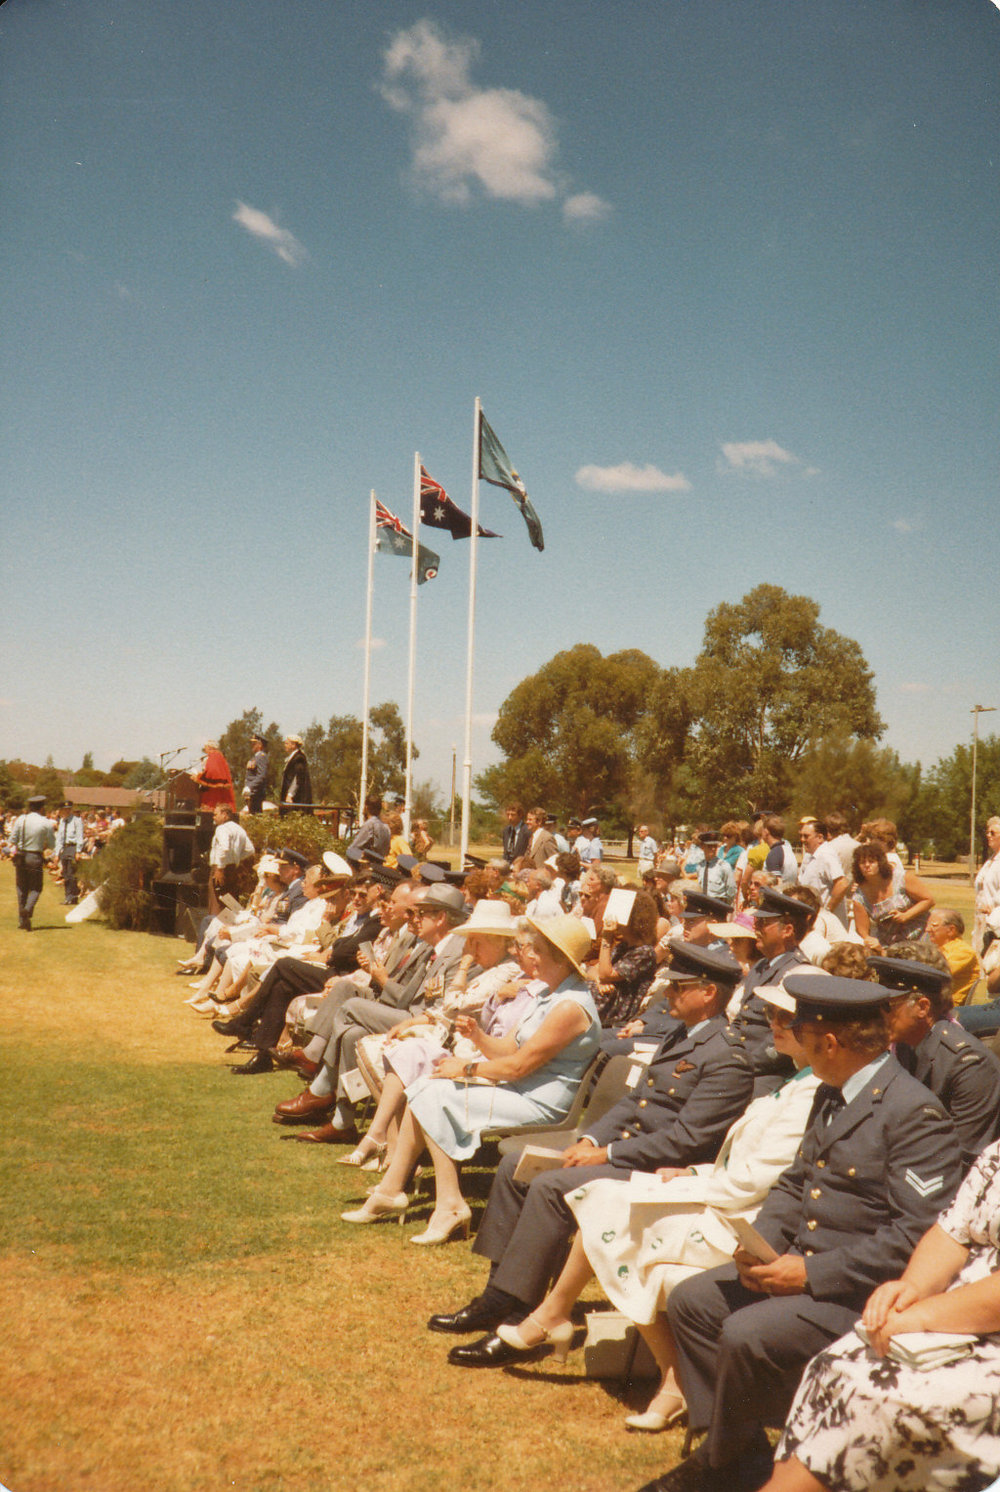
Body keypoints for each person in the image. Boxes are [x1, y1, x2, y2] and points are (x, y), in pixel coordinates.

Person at [638, 971, 962, 1492]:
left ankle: (728, 1466)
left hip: (864, 1291)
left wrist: (809, 1272)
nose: (792, 1046)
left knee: (747, 1334)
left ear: (830, 1042)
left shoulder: (913, 1114)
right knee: (693, 1302)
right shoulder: (834, 1092)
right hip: (799, 1270)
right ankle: (737, 1451)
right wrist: (759, 1246)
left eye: (804, 1037)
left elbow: (915, 1237)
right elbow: (795, 1182)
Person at [513, 984, 820, 1430]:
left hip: (746, 1220)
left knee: (610, 1211)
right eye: (770, 1014)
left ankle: (558, 1317)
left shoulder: (808, 1093)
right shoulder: (794, 1082)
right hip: (726, 1195)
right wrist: (694, 1175)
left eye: (785, 1018)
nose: (772, 1024)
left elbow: (756, 1180)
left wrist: (697, 1182)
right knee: (605, 1202)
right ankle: (667, 1380)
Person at [433, 941, 753, 1368]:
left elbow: (686, 1141)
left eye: (680, 988)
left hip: (662, 1171)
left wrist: (607, 1153)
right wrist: (590, 1139)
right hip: (626, 1153)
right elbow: (635, 1100)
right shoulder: (683, 1035)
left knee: (549, 1186)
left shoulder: (727, 1057)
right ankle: (498, 1294)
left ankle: (523, 1313)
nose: (669, 995)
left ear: (708, 993)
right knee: (514, 1166)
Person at [342, 914, 602, 1243]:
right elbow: (507, 1049)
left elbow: (518, 1067)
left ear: (558, 958)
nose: (526, 955)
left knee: (434, 1094)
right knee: (426, 1086)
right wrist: (478, 1037)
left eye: (534, 949)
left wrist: (464, 1069)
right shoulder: (550, 996)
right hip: (518, 1088)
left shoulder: (569, 1007)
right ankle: (394, 1190)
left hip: (539, 1102)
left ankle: (446, 1204)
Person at [768, 1138, 1000, 1492]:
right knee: (831, 1367)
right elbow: (952, 1232)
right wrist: (910, 1289)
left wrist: (921, 1316)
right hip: (949, 1321)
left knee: (882, 1402)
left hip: (984, 1341)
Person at [872, 947, 1000, 1170]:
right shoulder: (901, 1045)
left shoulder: (969, 1065)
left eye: (887, 1007)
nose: (877, 1015)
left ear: (922, 1007)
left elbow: (960, 1160)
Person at [851, 839, 934, 949]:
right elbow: (863, 931)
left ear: (880, 863)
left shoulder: (902, 878)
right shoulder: (859, 896)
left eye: (871, 861)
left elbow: (928, 900)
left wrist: (906, 915)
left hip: (920, 937)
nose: (867, 865)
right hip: (890, 945)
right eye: (862, 862)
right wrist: (872, 942)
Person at [11, 794, 55, 930]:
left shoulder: (21, 820)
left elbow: (13, 839)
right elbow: (52, 843)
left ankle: (22, 920)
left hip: (21, 856)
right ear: (42, 807)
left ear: (30, 807)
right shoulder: (46, 822)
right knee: (36, 888)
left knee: (21, 888)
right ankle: (28, 910)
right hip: (35, 856)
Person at [926, 906, 981, 1006]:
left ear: (951, 930)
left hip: (945, 1007)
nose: (927, 929)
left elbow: (934, 974)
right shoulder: (938, 948)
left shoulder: (963, 951)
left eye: (933, 925)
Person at [206, 804, 255, 914]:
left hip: (220, 869)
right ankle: (232, 926)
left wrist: (220, 868)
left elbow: (224, 847)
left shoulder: (221, 828)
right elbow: (250, 849)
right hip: (232, 869)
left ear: (224, 815)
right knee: (230, 901)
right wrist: (235, 859)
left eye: (215, 814)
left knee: (217, 903)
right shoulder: (239, 829)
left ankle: (217, 928)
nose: (213, 817)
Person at [54, 802, 85, 905]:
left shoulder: (77, 821)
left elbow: (80, 836)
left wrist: (78, 851)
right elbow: (59, 838)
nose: (66, 811)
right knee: (65, 874)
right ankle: (68, 896)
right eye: (64, 809)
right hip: (64, 848)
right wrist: (57, 853)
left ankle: (73, 896)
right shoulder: (62, 821)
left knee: (71, 873)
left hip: (73, 847)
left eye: (68, 809)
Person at [194, 741, 235, 809]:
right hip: (218, 791)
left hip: (215, 795)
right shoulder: (219, 756)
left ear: (210, 747)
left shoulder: (214, 757)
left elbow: (212, 773)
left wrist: (198, 777)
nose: (205, 750)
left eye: (205, 748)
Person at [349, 796, 390, 861]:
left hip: (368, 865)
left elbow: (353, 848)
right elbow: (386, 851)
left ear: (366, 807)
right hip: (380, 864)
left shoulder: (370, 825)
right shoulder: (386, 827)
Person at [279, 735, 312, 816]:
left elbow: (298, 777)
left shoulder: (299, 758)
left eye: (287, 743)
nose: (285, 745)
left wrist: (290, 794)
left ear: (293, 745)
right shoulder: (293, 757)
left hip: (295, 797)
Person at [242, 733, 269, 814]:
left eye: (254, 743)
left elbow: (261, 776)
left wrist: (250, 787)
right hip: (252, 793)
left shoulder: (262, 756)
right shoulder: (255, 757)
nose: (251, 745)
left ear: (260, 745)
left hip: (257, 793)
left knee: (256, 815)